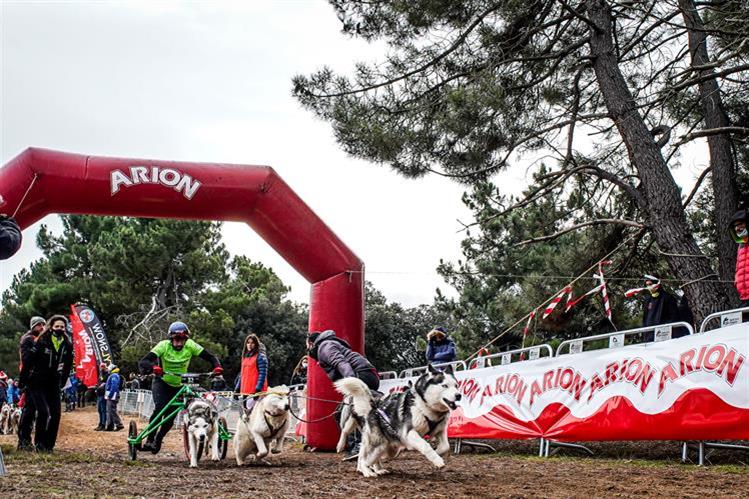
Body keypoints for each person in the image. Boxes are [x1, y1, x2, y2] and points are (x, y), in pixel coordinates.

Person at [138, 321, 223, 454]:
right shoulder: (163, 346)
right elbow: (144, 361)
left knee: (170, 416)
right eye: (176, 340)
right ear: (170, 339)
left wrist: (216, 366)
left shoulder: (190, 345)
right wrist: (154, 367)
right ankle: (150, 439)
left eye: (181, 340)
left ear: (186, 340)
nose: (178, 343)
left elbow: (210, 357)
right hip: (162, 382)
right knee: (160, 409)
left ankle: (158, 439)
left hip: (179, 385)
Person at [306, 330, 379, 458]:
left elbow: (341, 363)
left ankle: (360, 446)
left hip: (361, 375)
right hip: (367, 374)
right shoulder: (329, 344)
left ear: (311, 343)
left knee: (352, 412)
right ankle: (356, 446)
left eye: (306, 345)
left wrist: (352, 383)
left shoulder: (324, 346)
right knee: (340, 414)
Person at [19, 314, 74, 452]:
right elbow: (27, 361)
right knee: (39, 412)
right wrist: (23, 380)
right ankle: (31, 442)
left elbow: (67, 364)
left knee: (55, 414)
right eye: (57, 326)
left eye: (62, 327)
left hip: (53, 381)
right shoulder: (35, 340)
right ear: (51, 327)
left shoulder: (66, 343)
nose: (59, 329)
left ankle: (48, 445)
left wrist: (62, 380)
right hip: (36, 381)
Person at [17, 316, 45, 450]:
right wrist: (24, 380)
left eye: (43, 325)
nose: (42, 327)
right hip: (30, 379)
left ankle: (26, 441)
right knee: (29, 410)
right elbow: (26, 361)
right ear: (33, 326)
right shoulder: (28, 339)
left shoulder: (38, 338)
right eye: (39, 325)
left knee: (33, 410)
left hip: (38, 378)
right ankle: (23, 441)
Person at [639, 275, 692, 341]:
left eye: (650, 284)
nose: (649, 287)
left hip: (663, 335)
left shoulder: (668, 298)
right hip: (649, 335)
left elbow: (674, 317)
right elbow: (645, 318)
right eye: (647, 285)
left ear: (657, 283)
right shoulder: (647, 299)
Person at [235, 333, 268, 412]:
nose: (250, 345)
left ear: (256, 344)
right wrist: (237, 388)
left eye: (252, 343)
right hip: (246, 390)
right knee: (246, 414)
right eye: (248, 342)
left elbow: (263, 373)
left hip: (256, 391)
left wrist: (258, 388)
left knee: (254, 414)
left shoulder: (261, 357)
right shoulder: (245, 357)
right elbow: (242, 374)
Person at [729, 210, 749, 307]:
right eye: (735, 226)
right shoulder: (741, 245)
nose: (737, 228)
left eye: (740, 224)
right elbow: (738, 268)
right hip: (744, 297)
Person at [104, 364, 124, 431]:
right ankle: (110, 426)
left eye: (109, 369)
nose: (108, 370)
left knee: (112, 410)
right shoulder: (113, 375)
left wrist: (110, 395)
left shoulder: (114, 375)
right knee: (110, 410)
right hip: (112, 395)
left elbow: (114, 386)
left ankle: (119, 424)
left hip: (113, 395)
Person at [94, 363, 109, 431]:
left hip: (103, 394)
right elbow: (99, 383)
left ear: (105, 367)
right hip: (99, 394)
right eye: (101, 367)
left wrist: (101, 386)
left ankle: (103, 424)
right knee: (99, 410)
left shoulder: (107, 375)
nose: (101, 368)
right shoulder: (100, 375)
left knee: (103, 410)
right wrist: (96, 386)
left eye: (103, 367)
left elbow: (106, 384)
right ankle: (100, 424)